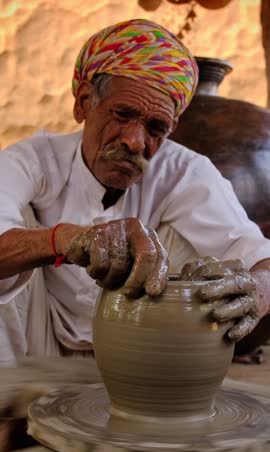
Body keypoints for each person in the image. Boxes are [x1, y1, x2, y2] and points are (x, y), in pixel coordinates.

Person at [0, 18, 270, 365]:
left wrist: (258, 290)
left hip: (143, 351)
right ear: (83, 102)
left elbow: (260, 257)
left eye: (156, 127)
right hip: (36, 348)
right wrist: (64, 240)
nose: (135, 141)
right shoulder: (33, 160)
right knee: (18, 231)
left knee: (202, 252)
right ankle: (8, 402)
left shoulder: (184, 170)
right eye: (123, 114)